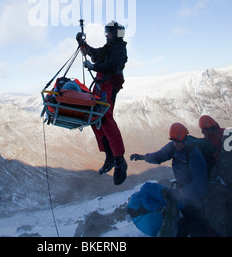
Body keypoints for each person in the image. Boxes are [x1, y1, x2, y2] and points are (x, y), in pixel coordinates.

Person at [130, 122, 211, 236]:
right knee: (147, 189)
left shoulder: (194, 155)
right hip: (180, 192)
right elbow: (159, 156)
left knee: (148, 189)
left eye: (178, 141)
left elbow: (201, 186)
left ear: (185, 139)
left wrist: (181, 193)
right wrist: (142, 157)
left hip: (192, 198)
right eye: (173, 141)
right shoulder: (173, 147)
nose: (176, 145)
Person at [76, 21, 128, 185]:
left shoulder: (120, 49)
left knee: (105, 118)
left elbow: (111, 65)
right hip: (101, 85)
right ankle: (110, 156)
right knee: (95, 119)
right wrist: (83, 44)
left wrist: (93, 66)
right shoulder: (110, 48)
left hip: (108, 85)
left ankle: (119, 159)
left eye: (109, 32)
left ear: (116, 34)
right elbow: (96, 54)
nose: (107, 35)